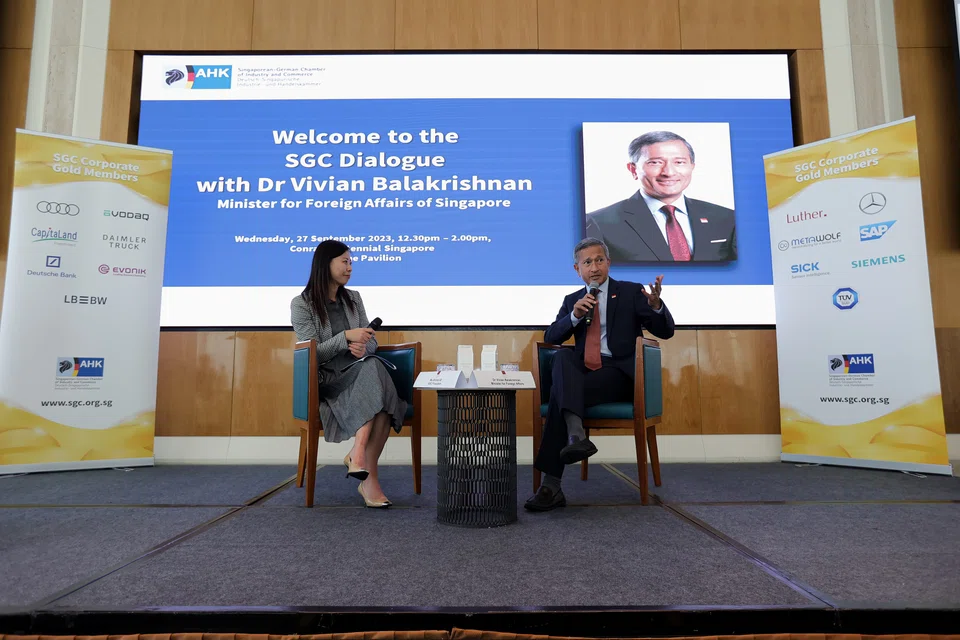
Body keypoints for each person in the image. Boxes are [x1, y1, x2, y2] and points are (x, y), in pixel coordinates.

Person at [525, 237, 676, 512]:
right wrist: (573, 316)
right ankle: (575, 436)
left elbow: (666, 332)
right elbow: (551, 337)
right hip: (583, 373)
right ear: (577, 269)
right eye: (587, 262)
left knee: (560, 395)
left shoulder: (630, 292)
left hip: (617, 374)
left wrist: (656, 306)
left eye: (599, 260)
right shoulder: (572, 300)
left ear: (608, 262)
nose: (594, 267)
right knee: (563, 356)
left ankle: (551, 484)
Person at [290, 239, 407, 509]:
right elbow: (312, 354)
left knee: (373, 367)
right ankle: (363, 466)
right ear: (325, 264)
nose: (350, 267)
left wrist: (363, 346)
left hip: (360, 373)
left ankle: (360, 459)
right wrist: (345, 338)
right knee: (381, 394)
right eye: (344, 261)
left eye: (351, 262)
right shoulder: (302, 304)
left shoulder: (353, 298)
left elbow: (371, 341)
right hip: (329, 381)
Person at [585, 130, 737, 263]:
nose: (669, 172)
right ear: (633, 170)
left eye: (679, 162)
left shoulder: (727, 218)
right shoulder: (599, 223)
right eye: (655, 162)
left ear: (692, 166)